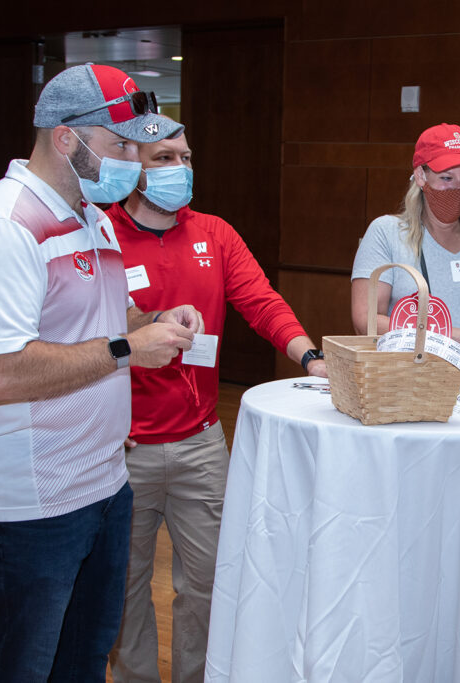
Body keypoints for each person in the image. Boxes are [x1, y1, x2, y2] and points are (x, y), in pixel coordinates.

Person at [0, 64, 204, 682]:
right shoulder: (2, 227)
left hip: (104, 483)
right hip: (33, 498)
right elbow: (1, 374)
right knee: (23, 667)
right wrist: (126, 349)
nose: (133, 160)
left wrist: (154, 318)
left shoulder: (93, 216)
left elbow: (101, 321)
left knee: (83, 662)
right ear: (67, 138)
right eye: (120, 145)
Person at [105, 122, 326, 683]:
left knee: (206, 587)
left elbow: (261, 302)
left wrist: (310, 359)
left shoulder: (215, 234)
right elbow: (86, 328)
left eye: (185, 155)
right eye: (164, 157)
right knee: (123, 589)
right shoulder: (101, 236)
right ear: (133, 168)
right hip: (120, 451)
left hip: (201, 444)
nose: (180, 167)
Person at [351, 123, 460, 355]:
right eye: (447, 178)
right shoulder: (386, 233)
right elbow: (364, 322)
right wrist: (447, 337)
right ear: (420, 176)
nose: (458, 189)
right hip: (412, 380)